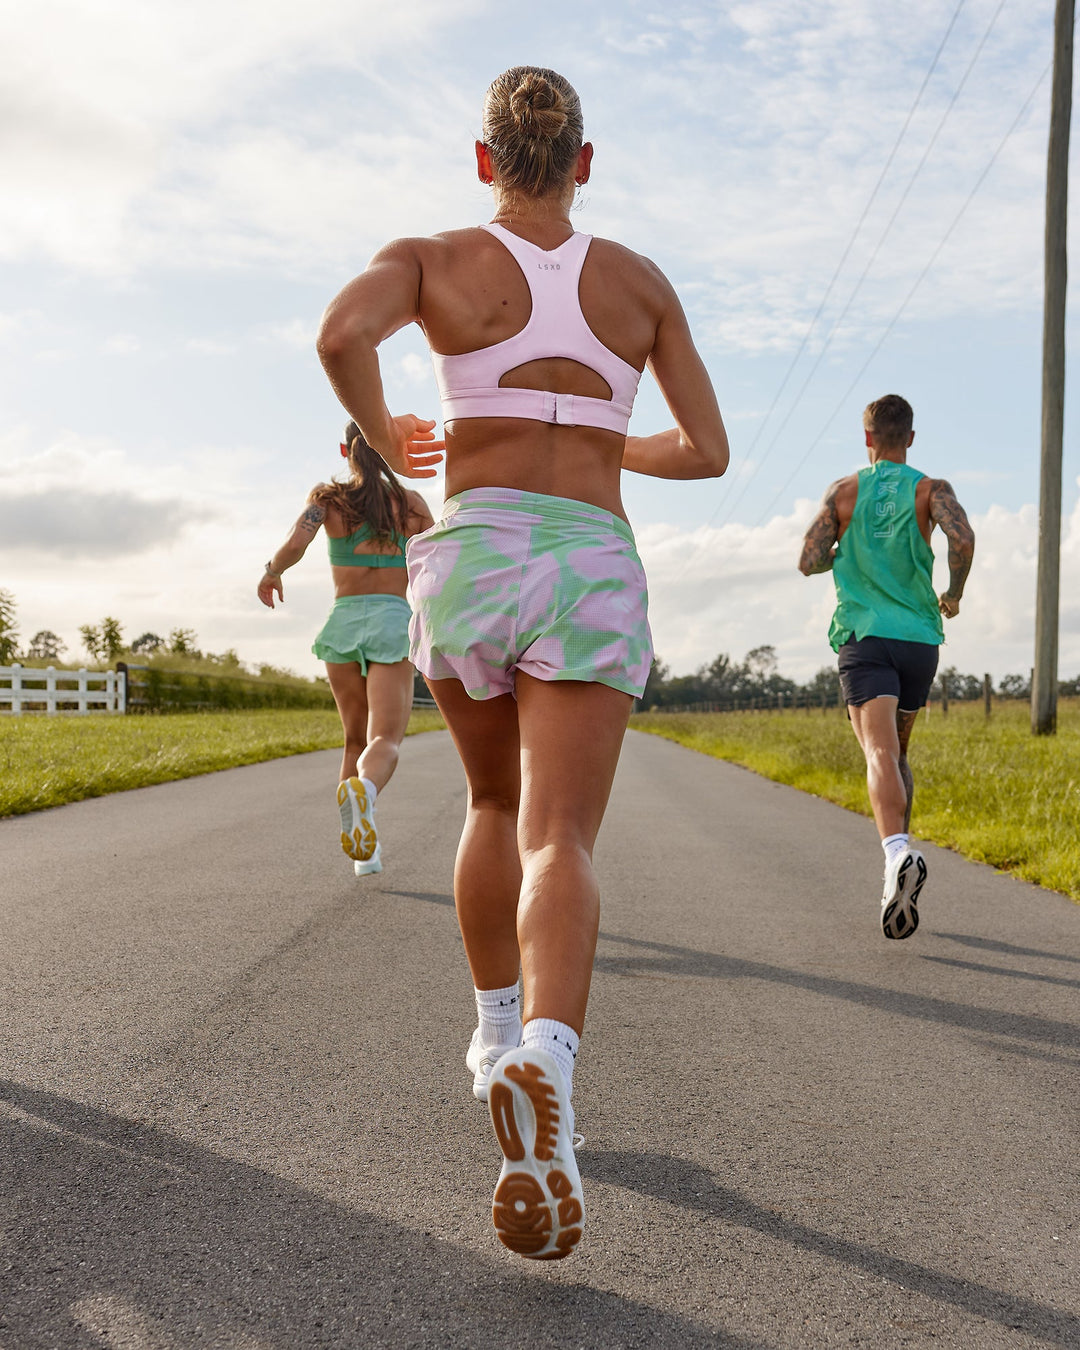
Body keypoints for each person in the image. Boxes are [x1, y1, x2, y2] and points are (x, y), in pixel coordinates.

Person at [317, 66, 728, 1259]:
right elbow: (706, 450)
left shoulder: (434, 256)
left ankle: (497, 1037)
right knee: (564, 836)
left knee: (490, 803)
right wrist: (602, 438)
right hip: (592, 558)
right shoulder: (640, 284)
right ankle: (551, 1058)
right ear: (586, 164)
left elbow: (343, 333)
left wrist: (394, 447)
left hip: (476, 550)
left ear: (485, 161)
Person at [799, 394, 974, 940]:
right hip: (919, 639)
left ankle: (897, 852)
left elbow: (808, 559)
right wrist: (953, 592)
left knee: (879, 751)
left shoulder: (844, 492)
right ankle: (895, 868)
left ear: (868, 438)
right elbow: (962, 538)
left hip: (866, 638)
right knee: (899, 754)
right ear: (911, 439)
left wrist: (841, 554)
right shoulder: (930, 489)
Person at [257, 423, 434, 876]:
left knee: (354, 739)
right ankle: (367, 792)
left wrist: (272, 571)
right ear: (390, 446)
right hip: (392, 623)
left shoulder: (328, 501)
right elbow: (440, 562)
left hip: (343, 623)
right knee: (385, 740)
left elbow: (297, 542)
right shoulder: (411, 506)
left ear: (345, 449)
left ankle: (364, 854)